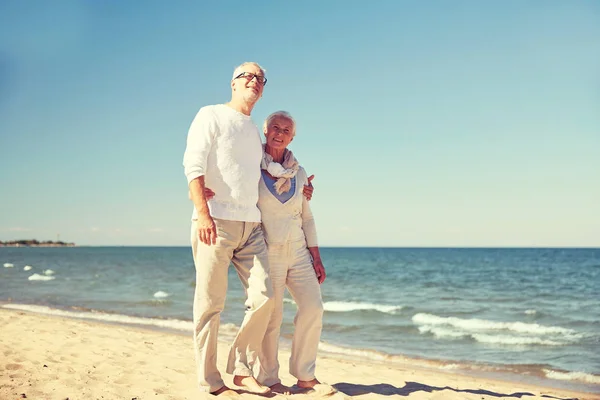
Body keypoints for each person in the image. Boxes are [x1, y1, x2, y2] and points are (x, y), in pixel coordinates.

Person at [182, 61, 275, 397]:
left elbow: (264, 169)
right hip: (215, 222)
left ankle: (240, 370)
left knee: (264, 296)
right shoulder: (211, 114)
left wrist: (300, 182)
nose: (254, 80)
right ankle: (210, 381)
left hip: (252, 224)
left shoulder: (253, 129)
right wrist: (202, 213)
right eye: (247, 76)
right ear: (233, 83)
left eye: (260, 78)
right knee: (210, 304)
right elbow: (192, 163)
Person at [255, 111, 332, 395]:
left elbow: (307, 217)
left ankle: (305, 376)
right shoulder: (252, 166)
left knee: (313, 307)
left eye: (286, 129)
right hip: (267, 250)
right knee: (271, 317)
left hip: (299, 251)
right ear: (265, 130)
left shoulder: (299, 173)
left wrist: (317, 256)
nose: (280, 132)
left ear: (292, 136)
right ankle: (268, 377)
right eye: (275, 127)